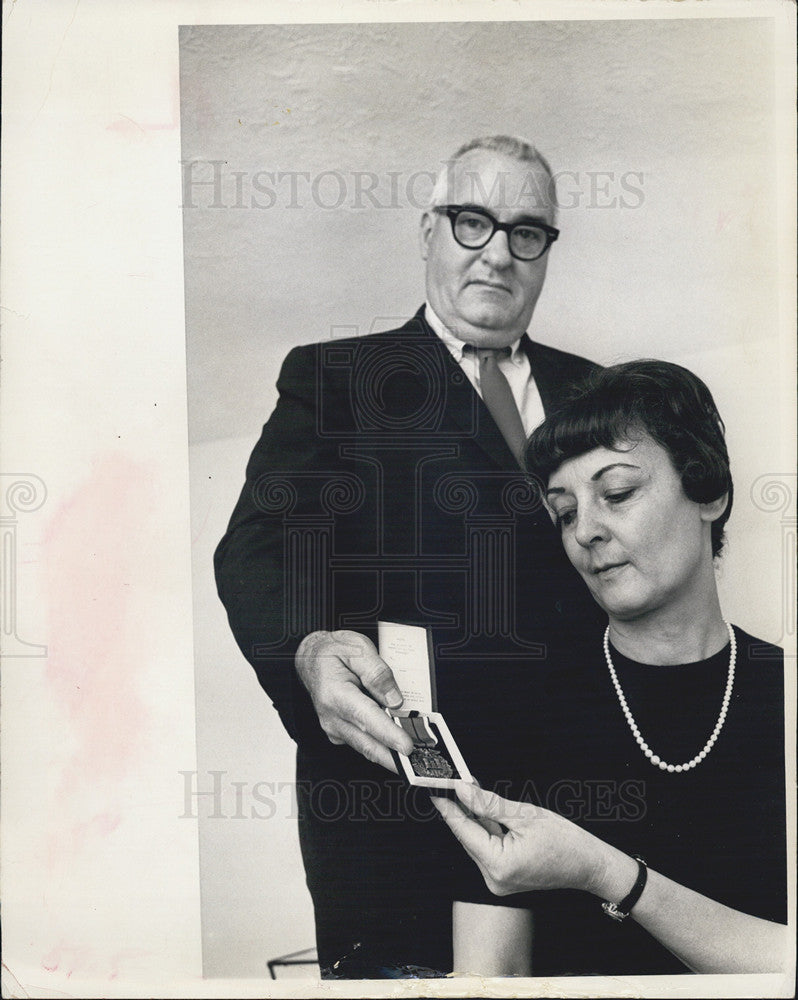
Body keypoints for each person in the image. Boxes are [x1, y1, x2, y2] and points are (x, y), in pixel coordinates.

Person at [214, 135, 605, 975]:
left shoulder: (603, 394)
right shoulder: (337, 381)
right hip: (399, 825)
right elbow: (257, 548)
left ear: (546, 253)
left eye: (526, 232)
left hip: (594, 812)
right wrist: (306, 650)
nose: (498, 253)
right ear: (428, 231)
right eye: (473, 222)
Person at [434, 360, 788, 976]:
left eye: (617, 494)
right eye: (565, 512)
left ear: (709, 493)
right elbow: (488, 980)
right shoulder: (515, 716)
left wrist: (605, 871)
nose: (586, 532)